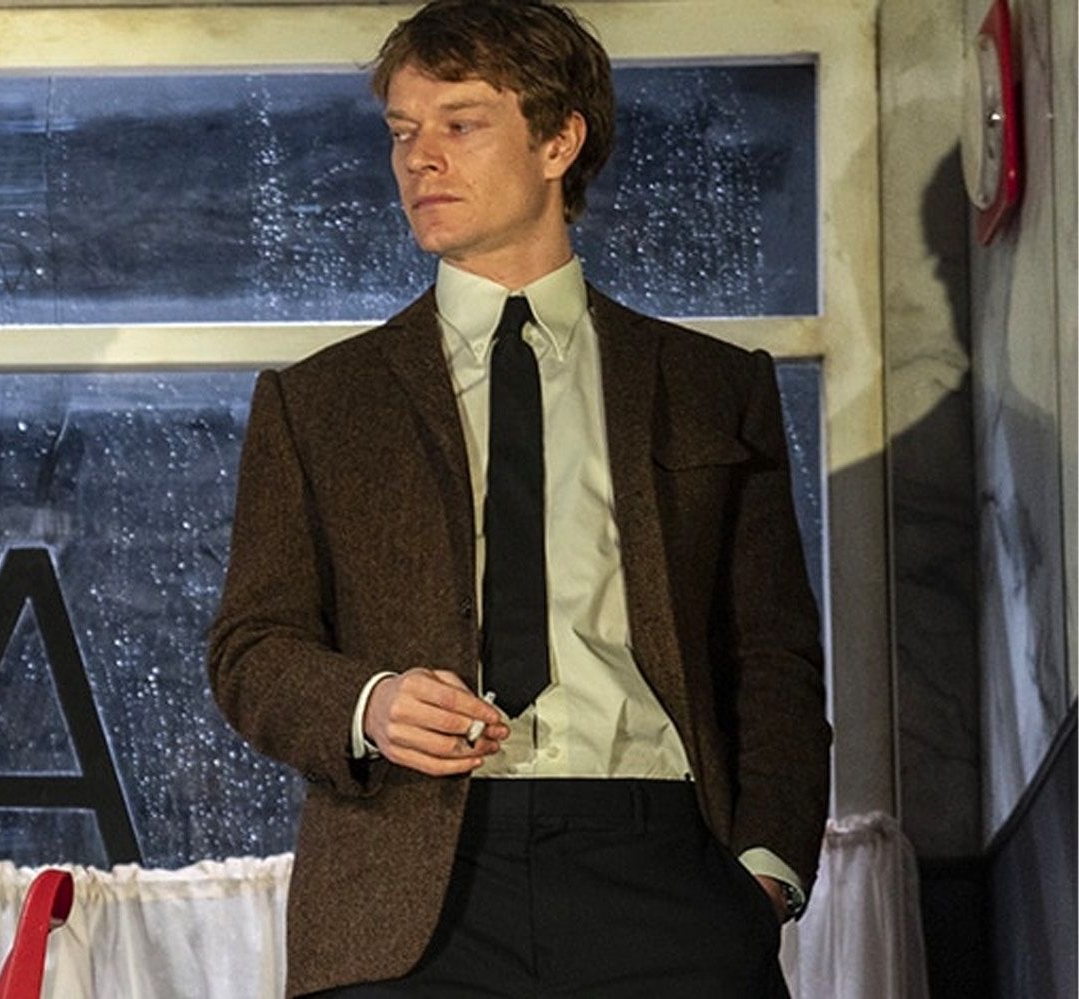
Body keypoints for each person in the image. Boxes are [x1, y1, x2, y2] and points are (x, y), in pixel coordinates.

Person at [206, 2, 831, 996]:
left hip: (664, 868)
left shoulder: (711, 384)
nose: (420, 159)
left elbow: (771, 657)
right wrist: (366, 705)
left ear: (558, 138)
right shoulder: (319, 402)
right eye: (403, 133)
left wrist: (763, 873)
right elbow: (251, 648)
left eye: (459, 124)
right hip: (402, 890)